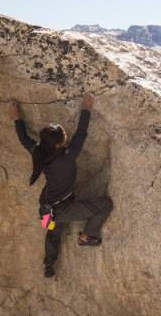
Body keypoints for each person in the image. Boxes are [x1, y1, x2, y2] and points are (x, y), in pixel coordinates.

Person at [8, 94, 113, 278]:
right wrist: (86, 108)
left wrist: (16, 117)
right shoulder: (68, 157)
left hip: (44, 210)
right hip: (62, 210)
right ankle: (88, 236)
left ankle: (48, 265)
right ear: (59, 144)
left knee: (52, 233)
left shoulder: (39, 153)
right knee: (105, 205)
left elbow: (24, 139)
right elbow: (81, 134)